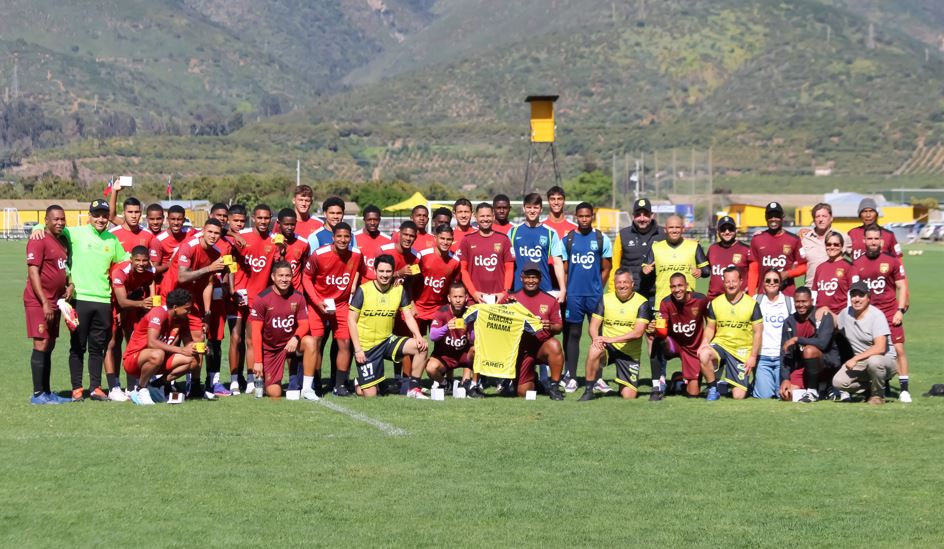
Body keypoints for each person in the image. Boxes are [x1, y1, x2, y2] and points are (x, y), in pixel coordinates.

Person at [66, 199, 130, 401]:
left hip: (103, 300)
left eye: (104, 215)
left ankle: (95, 388)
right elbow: (51, 227)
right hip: (80, 299)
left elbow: (126, 262)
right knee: (78, 346)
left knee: (97, 347)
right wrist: (38, 228)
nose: (101, 219)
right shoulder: (75, 233)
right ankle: (77, 388)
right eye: (97, 215)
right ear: (89, 216)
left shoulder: (112, 240)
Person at [641, 214, 709, 394]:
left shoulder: (693, 246)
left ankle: (687, 376)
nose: (674, 230)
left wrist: (700, 272)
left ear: (683, 228)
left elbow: (707, 270)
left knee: (690, 343)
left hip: (688, 308)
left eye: (677, 227)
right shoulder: (656, 247)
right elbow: (645, 267)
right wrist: (645, 269)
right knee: (658, 340)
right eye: (671, 228)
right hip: (663, 306)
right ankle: (660, 379)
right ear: (665, 229)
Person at [160, 218, 227, 397]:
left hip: (192, 303)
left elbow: (208, 284)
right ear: (203, 230)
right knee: (171, 341)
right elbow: (182, 276)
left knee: (198, 341)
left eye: (217, 233)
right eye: (210, 232)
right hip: (172, 300)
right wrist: (208, 268)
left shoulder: (216, 254)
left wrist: (206, 311)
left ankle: (195, 386)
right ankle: (163, 382)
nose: (213, 236)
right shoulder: (188, 247)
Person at [348, 255, 429, 399]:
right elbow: (351, 320)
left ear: (393, 272)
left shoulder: (399, 290)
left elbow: (408, 316)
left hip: (387, 341)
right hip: (367, 348)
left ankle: (413, 388)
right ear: (375, 271)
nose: (385, 275)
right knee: (370, 395)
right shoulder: (363, 290)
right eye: (381, 271)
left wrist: (417, 335)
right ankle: (359, 383)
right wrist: (358, 350)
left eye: (388, 272)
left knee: (422, 347)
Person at [302, 222, 364, 396]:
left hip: (342, 304)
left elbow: (365, 272)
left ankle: (339, 384)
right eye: (339, 236)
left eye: (346, 236)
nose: (343, 240)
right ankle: (316, 382)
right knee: (317, 342)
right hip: (318, 304)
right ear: (333, 238)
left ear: (351, 238)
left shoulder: (357, 254)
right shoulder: (319, 254)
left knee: (345, 343)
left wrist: (392, 278)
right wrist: (316, 301)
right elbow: (306, 277)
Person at [850, 226, 911, 402]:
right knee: (873, 352)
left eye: (876, 238)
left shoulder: (891, 261)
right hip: (869, 315)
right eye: (870, 239)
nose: (873, 242)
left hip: (890, 312)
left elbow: (902, 286)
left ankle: (904, 390)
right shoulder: (858, 263)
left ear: (882, 241)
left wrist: (900, 310)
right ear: (864, 241)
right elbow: (854, 291)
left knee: (898, 349)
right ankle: (877, 387)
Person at [560, 202, 612, 393]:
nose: (584, 219)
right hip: (574, 296)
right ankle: (572, 377)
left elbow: (607, 267)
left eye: (587, 216)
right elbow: (564, 269)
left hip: (595, 296)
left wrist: (598, 287)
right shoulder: (568, 239)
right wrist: (567, 289)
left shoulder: (601, 239)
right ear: (576, 217)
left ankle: (598, 378)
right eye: (580, 216)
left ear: (592, 216)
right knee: (573, 335)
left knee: (597, 336)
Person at [24, 205, 73, 404]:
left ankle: (47, 392)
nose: (60, 222)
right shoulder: (38, 241)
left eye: (62, 219)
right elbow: (33, 272)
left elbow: (64, 269)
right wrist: (44, 301)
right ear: (46, 220)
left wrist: (70, 285)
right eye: (55, 219)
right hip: (39, 302)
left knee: (50, 344)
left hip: (56, 301)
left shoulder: (61, 242)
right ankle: (38, 395)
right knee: (41, 343)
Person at [579, 268, 651, 401]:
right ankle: (589, 390)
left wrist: (610, 339)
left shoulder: (642, 303)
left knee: (629, 397)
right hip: (607, 347)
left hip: (629, 353)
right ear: (614, 283)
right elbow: (593, 325)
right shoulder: (605, 299)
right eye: (618, 282)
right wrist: (596, 339)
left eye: (625, 282)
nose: (622, 285)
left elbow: (638, 333)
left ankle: (622, 383)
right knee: (594, 349)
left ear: (632, 284)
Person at [251, 262, 317, 399]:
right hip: (271, 350)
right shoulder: (261, 299)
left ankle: (307, 389)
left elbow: (305, 324)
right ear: (273, 277)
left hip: (290, 345)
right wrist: (258, 361)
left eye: (288, 275)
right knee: (275, 393)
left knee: (310, 341)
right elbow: (256, 332)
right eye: (280, 275)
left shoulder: (298, 297)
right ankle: (262, 383)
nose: (284, 279)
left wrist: (296, 337)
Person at [123, 288, 200, 405]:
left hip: (158, 360)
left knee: (194, 360)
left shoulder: (183, 319)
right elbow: (152, 342)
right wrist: (180, 350)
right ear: (175, 307)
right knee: (158, 353)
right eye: (187, 309)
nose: (189, 312)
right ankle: (140, 389)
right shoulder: (159, 313)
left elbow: (188, 343)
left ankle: (156, 385)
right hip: (134, 360)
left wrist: (196, 347)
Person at [698, 267, 763, 401]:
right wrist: (704, 343)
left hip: (741, 350)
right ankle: (713, 388)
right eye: (728, 281)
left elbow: (758, 333)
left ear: (741, 281)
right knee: (703, 354)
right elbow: (710, 327)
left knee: (738, 396)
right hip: (721, 345)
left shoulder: (752, 304)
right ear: (723, 282)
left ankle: (730, 383)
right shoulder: (715, 303)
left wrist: (752, 357)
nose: (731, 285)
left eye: (734, 281)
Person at [831, 281, 898, 405]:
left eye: (861, 295)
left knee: (874, 361)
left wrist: (855, 359)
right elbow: (835, 322)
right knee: (838, 382)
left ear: (868, 298)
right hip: (862, 362)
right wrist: (823, 311)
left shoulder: (877, 316)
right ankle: (869, 389)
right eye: (853, 295)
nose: (856, 299)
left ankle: (878, 395)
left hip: (885, 360)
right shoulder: (846, 314)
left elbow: (880, 347)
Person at [104, 245, 156, 401]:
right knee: (112, 343)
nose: (141, 263)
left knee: (133, 343)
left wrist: (152, 299)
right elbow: (121, 301)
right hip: (112, 304)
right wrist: (142, 304)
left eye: (144, 260)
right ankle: (113, 387)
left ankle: (131, 386)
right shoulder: (119, 272)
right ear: (131, 259)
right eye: (137, 260)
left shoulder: (149, 270)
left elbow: (151, 283)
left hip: (131, 305)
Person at [507, 264, 565, 400]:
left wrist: (549, 326)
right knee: (523, 393)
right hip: (520, 350)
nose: (530, 281)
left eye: (534, 277)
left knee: (555, 345)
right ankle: (535, 381)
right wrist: (507, 308)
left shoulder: (550, 300)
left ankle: (554, 386)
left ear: (540, 279)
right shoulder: (511, 298)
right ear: (521, 278)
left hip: (541, 346)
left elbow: (559, 327)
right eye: (527, 277)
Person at [779, 287, 840, 403]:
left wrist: (798, 339)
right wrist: (785, 379)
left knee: (809, 351)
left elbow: (823, 343)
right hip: (804, 369)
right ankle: (821, 391)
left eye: (804, 301)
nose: (801, 305)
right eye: (798, 302)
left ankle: (813, 390)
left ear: (811, 301)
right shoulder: (789, 322)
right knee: (787, 395)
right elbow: (784, 353)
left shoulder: (823, 316)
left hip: (827, 366)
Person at [653, 272, 708, 398]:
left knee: (693, 394)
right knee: (659, 340)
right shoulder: (665, 302)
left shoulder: (700, 300)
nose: (677, 290)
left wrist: (705, 343)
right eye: (673, 287)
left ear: (687, 285)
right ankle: (657, 382)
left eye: (680, 285)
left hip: (693, 348)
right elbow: (661, 329)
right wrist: (655, 328)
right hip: (674, 345)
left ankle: (677, 379)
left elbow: (710, 322)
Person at [509, 193, 566, 300]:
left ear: (541, 209)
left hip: (544, 288)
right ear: (523, 208)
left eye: (536, 207)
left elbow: (558, 263)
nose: (532, 210)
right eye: (529, 207)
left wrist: (563, 289)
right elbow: (507, 264)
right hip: (519, 289)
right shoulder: (513, 232)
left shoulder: (550, 233)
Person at [458, 202, 514, 304]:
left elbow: (510, 268)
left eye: (488, 216)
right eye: (482, 216)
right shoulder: (467, 240)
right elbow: (463, 269)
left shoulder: (504, 239)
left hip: (498, 298)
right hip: (475, 299)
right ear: (475, 217)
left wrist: (505, 292)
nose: (485, 219)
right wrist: (473, 293)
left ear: (493, 216)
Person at [752, 270, 794, 399]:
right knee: (764, 396)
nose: (772, 283)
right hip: (762, 357)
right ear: (763, 283)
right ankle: (757, 383)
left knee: (783, 394)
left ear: (780, 283)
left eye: (775, 280)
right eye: (768, 280)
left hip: (782, 358)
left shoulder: (789, 302)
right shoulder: (756, 300)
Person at [610, 197, 665, 298]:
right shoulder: (623, 235)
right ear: (632, 216)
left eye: (646, 214)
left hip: (657, 294)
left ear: (652, 215)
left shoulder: (663, 234)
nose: (642, 218)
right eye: (638, 215)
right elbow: (614, 266)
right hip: (630, 294)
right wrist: (611, 291)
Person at [749, 202, 806, 296]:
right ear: (766, 218)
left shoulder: (794, 240)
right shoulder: (757, 239)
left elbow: (804, 266)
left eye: (777, 216)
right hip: (763, 295)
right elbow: (753, 270)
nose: (773, 219)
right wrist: (751, 296)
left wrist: (788, 274)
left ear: (782, 217)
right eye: (770, 216)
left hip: (787, 295)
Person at [412, 224, 461, 333]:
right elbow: (409, 282)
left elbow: (454, 285)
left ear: (452, 240)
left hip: (438, 308)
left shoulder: (456, 261)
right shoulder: (422, 256)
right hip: (418, 307)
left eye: (448, 239)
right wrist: (411, 305)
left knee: (441, 344)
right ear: (435, 238)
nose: (445, 242)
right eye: (442, 238)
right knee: (417, 344)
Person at [426, 283, 474, 390]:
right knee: (430, 368)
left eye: (461, 297)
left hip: (463, 356)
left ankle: (468, 382)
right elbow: (432, 336)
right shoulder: (442, 312)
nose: (458, 300)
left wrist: (469, 331)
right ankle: (445, 384)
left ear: (466, 298)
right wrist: (446, 327)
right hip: (445, 357)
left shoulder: (470, 313)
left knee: (477, 350)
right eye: (455, 297)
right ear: (449, 298)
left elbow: (475, 339)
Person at [798, 203, 850, 283]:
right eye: (817, 216)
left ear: (831, 218)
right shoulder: (805, 239)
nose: (821, 219)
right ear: (814, 220)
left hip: (834, 287)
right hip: (811, 288)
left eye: (824, 216)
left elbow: (857, 260)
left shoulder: (843, 237)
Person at [706, 215, 751, 300]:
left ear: (735, 230)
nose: (727, 232)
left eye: (730, 228)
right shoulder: (712, 248)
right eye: (723, 229)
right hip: (715, 299)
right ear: (718, 231)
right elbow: (704, 270)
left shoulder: (745, 249)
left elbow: (756, 273)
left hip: (738, 300)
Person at [810, 231, 851, 316]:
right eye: (829, 244)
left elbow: (852, 294)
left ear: (841, 246)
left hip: (839, 316)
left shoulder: (848, 267)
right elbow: (814, 293)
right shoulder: (820, 267)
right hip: (820, 315)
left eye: (836, 244)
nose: (832, 247)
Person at [274, 208, 311, 292]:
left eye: (292, 224)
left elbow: (304, 270)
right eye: (286, 224)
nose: (289, 227)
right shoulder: (272, 241)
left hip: (296, 291)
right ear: (279, 224)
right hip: (277, 291)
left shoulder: (303, 243)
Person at [353, 204, 392, 281]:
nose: (372, 222)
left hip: (380, 287)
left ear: (379, 220)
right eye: (369, 219)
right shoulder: (353, 238)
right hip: (359, 287)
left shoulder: (388, 240)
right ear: (364, 220)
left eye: (375, 219)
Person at [152, 205, 190, 280]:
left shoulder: (191, 233)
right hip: (167, 284)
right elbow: (153, 270)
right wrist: (171, 264)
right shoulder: (158, 240)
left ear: (184, 220)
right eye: (173, 219)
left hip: (185, 283)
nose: (176, 223)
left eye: (179, 219)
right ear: (167, 219)